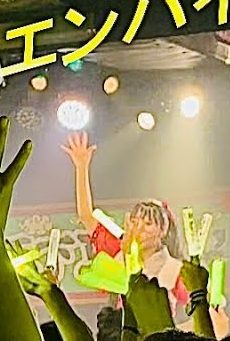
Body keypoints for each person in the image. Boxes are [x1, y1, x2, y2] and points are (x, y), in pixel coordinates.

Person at [61, 132, 189, 310]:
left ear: (162, 231)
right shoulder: (118, 248)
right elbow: (86, 215)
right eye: (135, 222)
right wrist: (81, 167)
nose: (139, 229)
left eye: (148, 224)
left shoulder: (176, 269)